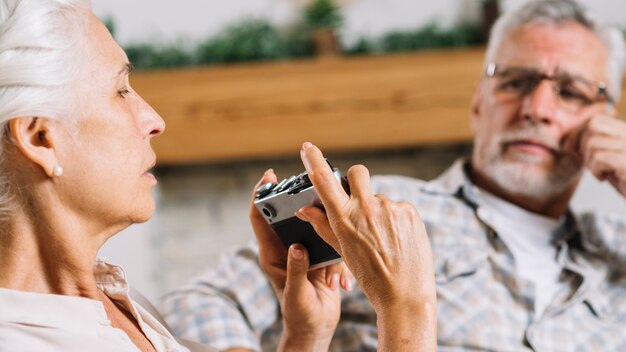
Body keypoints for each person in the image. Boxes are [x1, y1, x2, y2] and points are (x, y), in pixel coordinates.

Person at [160, 0, 626, 351]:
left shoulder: (616, 248)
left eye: (570, 91)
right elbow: (197, 305)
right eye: (515, 82)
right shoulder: (377, 206)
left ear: (606, 118)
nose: (536, 109)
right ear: (478, 104)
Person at [0, 0, 437, 351]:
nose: (154, 119)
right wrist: (407, 309)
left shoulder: (106, 298)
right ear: (41, 138)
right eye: (121, 90)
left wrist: (305, 335)